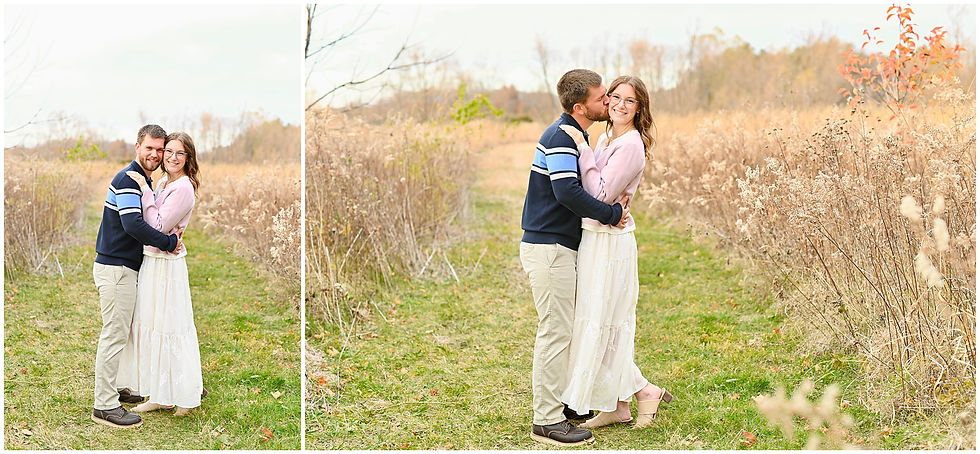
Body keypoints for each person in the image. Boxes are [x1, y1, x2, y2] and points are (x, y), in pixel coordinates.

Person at [519, 68, 630, 447]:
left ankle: (563, 405)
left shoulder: (574, 135)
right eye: (602, 98)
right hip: (548, 248)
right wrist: (611, 214)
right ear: (581, 107)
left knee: (565, 329)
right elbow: (566, 191)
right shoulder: (560, 137)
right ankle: (546, 421)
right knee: (556, 332)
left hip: (558, 246)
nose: (609, 102)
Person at [558, 75, 672, 430]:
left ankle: (644, 391)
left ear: (639, 109)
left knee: (605, 322)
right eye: (615, 96)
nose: (620, 105)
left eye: (630, 100)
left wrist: (583, 149)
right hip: (595, 235)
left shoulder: (631, 145)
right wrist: (590, 149)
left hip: (611, 241)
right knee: (598, 319)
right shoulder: (608, 138)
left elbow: (600, 195)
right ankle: (618, 406)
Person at [92, 124, 182, 429]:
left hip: (124, 267)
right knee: (115, 334)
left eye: (160, 149)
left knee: (124, 332)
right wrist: (168, 242)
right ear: (137, 147)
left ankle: (117, 387)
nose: (155, 154)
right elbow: (132, 224)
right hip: (116, 268)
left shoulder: (143, 180)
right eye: (149, 148)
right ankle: (104, 405)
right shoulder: (128, 179)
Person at [116, 131, 204, 417]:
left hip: (168, 266)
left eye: (180, 153)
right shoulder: (165, 182)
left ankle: (185, 397)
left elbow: (156, 226)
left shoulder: (183, 188)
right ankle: (159, 394)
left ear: (188, 157)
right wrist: (150, 188)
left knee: (171, 327)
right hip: (152, 261)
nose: (172, 157)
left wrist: (144, 188)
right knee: (153, 325)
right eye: (169, 151)